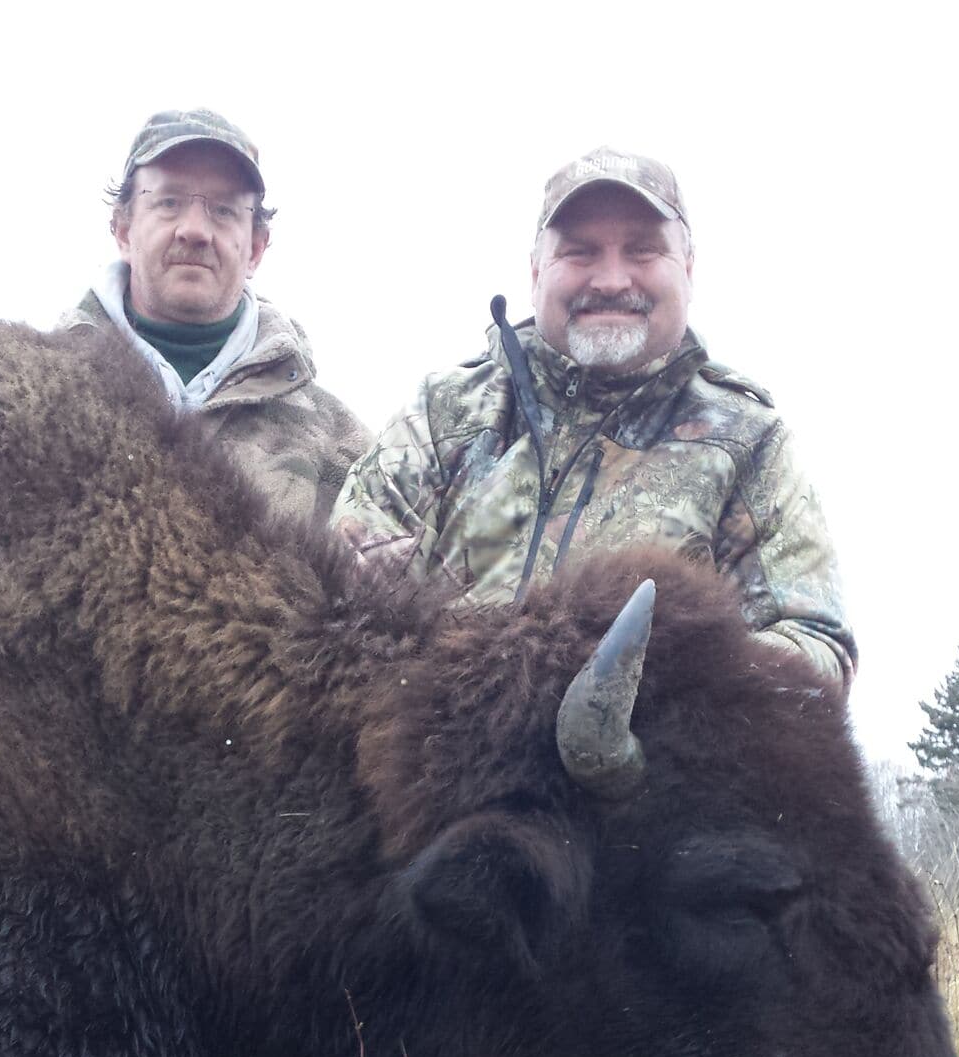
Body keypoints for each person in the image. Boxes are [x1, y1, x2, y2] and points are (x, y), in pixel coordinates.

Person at [332, 148, 855, 686]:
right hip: (427, 755)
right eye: (580, 253)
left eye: (643, 251)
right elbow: (342, 604)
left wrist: (645, 688)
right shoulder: (442, 416)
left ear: (689, 269)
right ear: (536, 271)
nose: (610, 279)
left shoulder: (748, 441)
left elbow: (812, 654)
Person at [63, 108, 367, 525]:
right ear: (123, 230)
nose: (195, 230)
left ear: (256, 248)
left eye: (223, 210)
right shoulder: (31, 391)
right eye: (168, 202)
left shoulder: (345, 451)